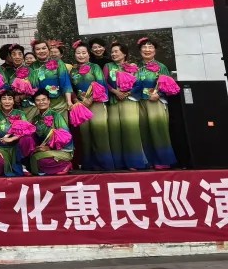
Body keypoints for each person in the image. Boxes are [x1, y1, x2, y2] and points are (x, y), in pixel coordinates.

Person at [70, 40, 115, 171]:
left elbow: (101, 84)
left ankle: (105, 165)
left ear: (89, 54)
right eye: (78, 53)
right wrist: (76, 100)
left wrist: (91, 99)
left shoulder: (95, 67)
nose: (81, 55)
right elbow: (71, 88)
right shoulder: (72, 71)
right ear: (75, 55)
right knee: (85, 136)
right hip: (81, 106)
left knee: (100, 133)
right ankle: (88, 166)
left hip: (97, 103)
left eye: (84, 53)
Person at [134, 37, 177, 169]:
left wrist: (159, 94)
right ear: (140, 51)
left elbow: (169, 85)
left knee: (158, 130)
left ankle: (163, 161)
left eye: (150, 47)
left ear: (155, 50)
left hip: (156, 102)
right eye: (144, 47)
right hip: (140, 102)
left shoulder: (161, 67)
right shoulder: (136, 68)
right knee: (144, 131)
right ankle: (148, 161)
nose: (147, 50)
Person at [104, 41, 147, 170]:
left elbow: (139, 84)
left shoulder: (132, 67)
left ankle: (134, 162)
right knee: (114, 131)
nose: (113, 54)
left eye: (116, 51)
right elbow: (103, 82)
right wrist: (115, 92)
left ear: (124, 53)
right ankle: (118, 163)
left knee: (131, 131)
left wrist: (127, 93)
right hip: (113, 101)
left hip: (129, 101)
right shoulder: (108, 66)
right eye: (112, 52)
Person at [27, 88, 74, 175]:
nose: (41, 102)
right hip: (43, 150)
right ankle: (57, 167)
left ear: (49, 101)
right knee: (31, 159)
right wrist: (36, 147)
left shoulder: (56, 116)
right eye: (38, 100)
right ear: (35, 103)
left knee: (37, 160)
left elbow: (66, 137)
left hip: (61, 151)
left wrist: (49, 148)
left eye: (44, 99)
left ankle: (65, 165)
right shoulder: (36, 119)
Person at [0, 89, 30, 177]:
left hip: (18, 147)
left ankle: (23, 165)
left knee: (27, 139)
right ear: (0, 102)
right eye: (4, 99)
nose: (7, 102)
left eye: (10, 99)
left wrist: (11, 139)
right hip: (2, 148)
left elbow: (26, 130)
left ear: (14, 101)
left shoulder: (20, 114)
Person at [29, 39, 73, 112]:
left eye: (44, 48)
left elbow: (66, 82)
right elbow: (32, 87)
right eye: (38, 49)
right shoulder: (32, 67)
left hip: (59, 104)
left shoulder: (58, 63)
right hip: (41, 105)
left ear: (48, 49)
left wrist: (69, 101)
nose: (41, 51)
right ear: (34, 52)